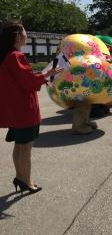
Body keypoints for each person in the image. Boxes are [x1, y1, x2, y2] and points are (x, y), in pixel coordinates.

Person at [0, 22, 62, 194]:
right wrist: (44, 77)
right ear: (18, 36)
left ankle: (20, 177)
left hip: (14, 110)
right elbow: (28, 83)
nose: (26, 35)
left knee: (19, 146)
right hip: (25, 110)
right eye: (24, 32)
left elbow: (21, 79)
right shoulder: (16, 56)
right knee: (25, 148)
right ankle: (26, 181)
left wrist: (45, 74)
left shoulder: (6, 56)